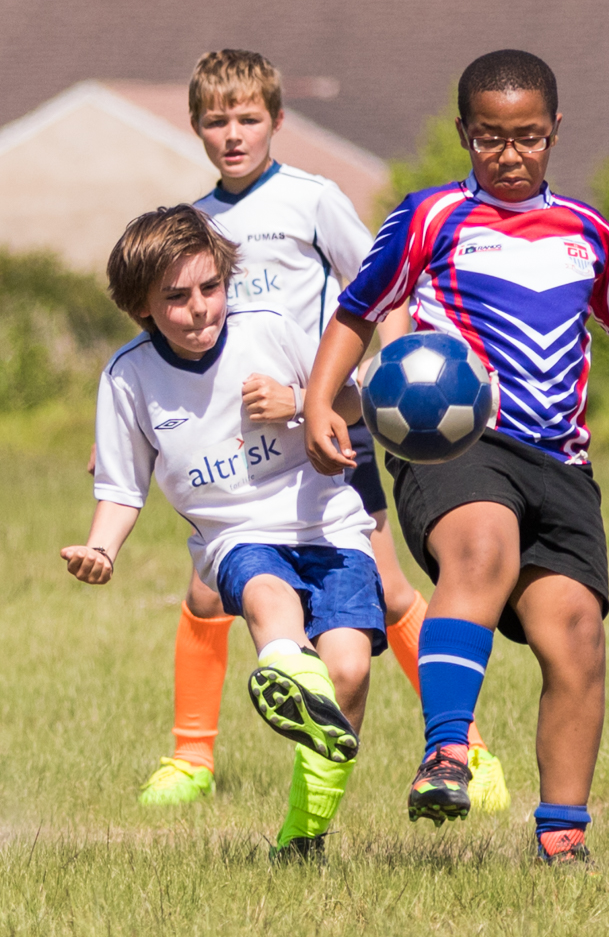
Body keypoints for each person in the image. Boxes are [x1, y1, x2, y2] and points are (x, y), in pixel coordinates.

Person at [303, 50, 609, 865]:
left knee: (576, 634)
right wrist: (319, 402)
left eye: (527, 136)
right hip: (453, 444)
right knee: (482, 548)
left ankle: (562, 837)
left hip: (560, 464)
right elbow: (358, 310)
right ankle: (447, 752)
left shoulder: (590, 233)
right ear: (465, 132)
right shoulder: (430, 217)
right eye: (490, 137)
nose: (510, 153)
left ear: (555, 130)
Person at [136, 49, 508, 811]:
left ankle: (465, 748)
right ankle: (191, 759)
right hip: (242, 441)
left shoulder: (312, 200)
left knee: (389, 588)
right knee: (206, 589)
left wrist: (387, 380)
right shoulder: (195, 224)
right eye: (216, 121)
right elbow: (167, 341)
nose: (233, 134)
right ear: (196, 127)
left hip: (324, 423)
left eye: (248, 118)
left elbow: (382, 289)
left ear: (277, 119)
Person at [62, 205, 382, 859]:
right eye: (176, 298)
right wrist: (101, 549)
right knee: (266, 592)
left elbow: (350, 399)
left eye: (210, 287)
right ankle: (285, 670)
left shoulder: (269, 328)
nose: (200, 308)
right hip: (235, 532)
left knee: (349, 672)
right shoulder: (128, 378)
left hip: (330, 525)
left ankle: (303, 836)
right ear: (141, 307)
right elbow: (121, 488)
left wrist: (302, 403)